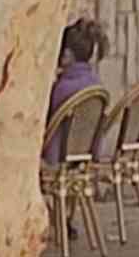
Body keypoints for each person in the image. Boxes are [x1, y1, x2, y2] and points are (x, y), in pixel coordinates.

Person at [45, 18, 108, 163]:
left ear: (66, 55)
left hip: (55, 160)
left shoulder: (60, 89)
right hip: (86, 160)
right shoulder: (97, 86)